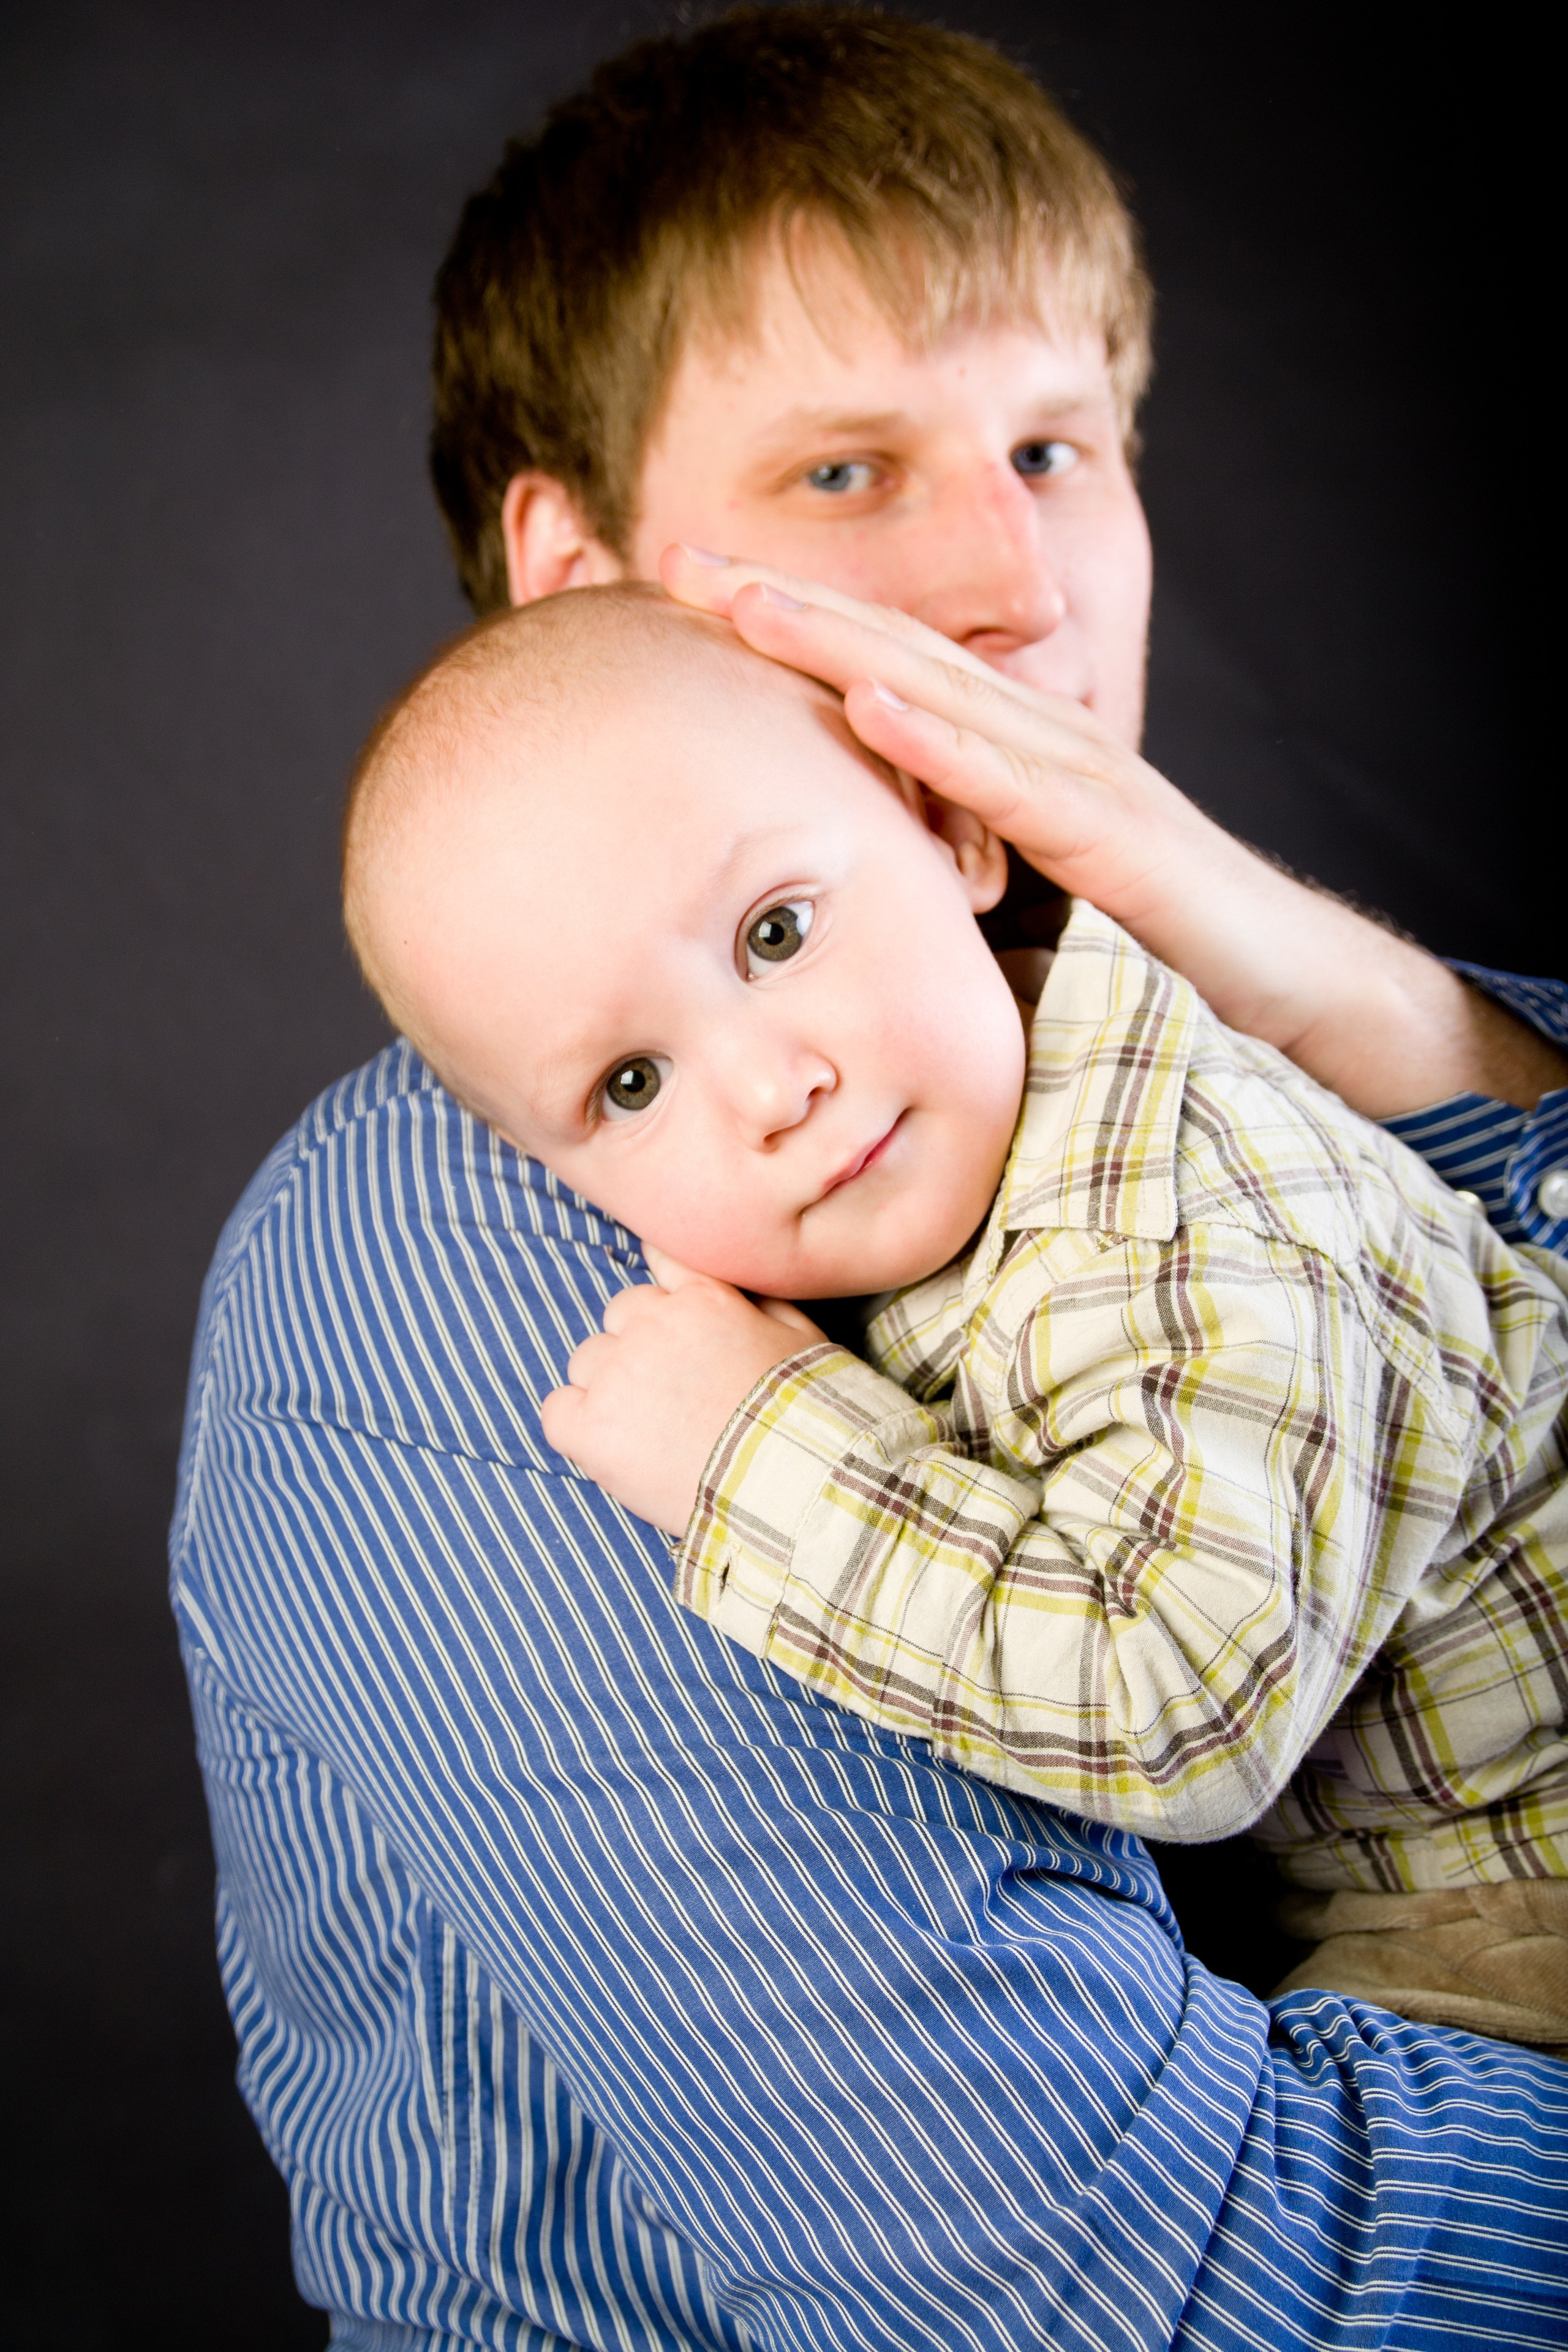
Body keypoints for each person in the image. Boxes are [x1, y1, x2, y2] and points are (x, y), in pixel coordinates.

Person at [176, 12, 1568, 2342]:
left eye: (1055, 442)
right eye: (846, 472)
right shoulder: (483, 1240)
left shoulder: (1186, 1060)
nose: (1015, 578)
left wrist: (1394, 1033)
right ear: (575, 565)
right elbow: (1162, 2297)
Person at [342, 581, 1568, 2050]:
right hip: (1391, 1876)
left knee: (1226, 2190)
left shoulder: (1207, 1217)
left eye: (777, 934)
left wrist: (759, 1454)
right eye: (630, 1085)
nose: (766, 1089)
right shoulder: (936, 1190)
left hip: (1517, 1873)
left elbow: (1181, 1708)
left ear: (953, 837)